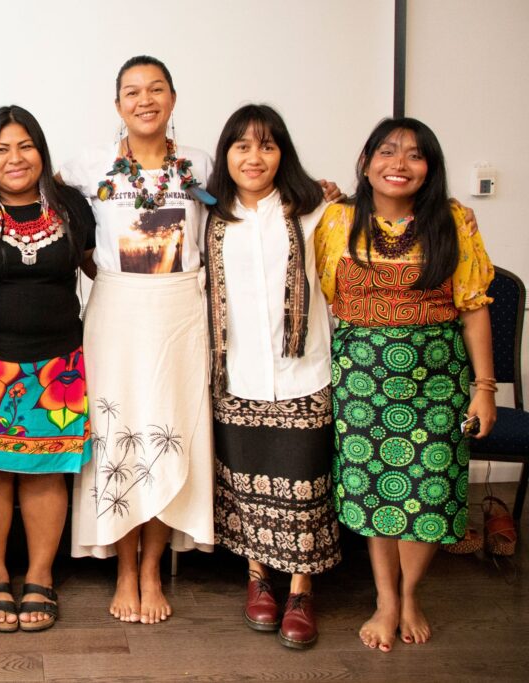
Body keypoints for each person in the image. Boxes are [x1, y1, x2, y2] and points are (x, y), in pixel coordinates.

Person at [314, 117, 496, 652]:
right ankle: (385, 598)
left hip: (437, 378)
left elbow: (474, 308)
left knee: (429, 488)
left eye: (415, 156)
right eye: (387, 152)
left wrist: (483, 386)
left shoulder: (454, 220)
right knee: (377, 492)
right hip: (362, 380)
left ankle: (410, 592)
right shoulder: (337, 220)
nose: (399, 164)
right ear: (367, 160)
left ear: (430, 169)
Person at [51, 55, 219, 625]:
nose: (144, 99)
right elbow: (29, 189)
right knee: (118, 435)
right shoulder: (88, 164)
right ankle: (125, 569)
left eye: (156, 89)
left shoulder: (199, 163)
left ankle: (153, 569)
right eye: (131, 91)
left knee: (168, 435)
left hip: (179, 314)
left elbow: (250, 196)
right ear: (117, 104)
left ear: (173, 97)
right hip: (116, 315)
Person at [0, 105, 96, 632]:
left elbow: (105, 267)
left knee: (46, 473)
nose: (15, 158)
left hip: (58, 365)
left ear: (42, 151)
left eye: (26, 145)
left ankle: (40, 576)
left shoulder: (73, 208)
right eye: (2, 148)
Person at [204, 104, 341, 649]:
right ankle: (258, 579)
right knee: (249, 483)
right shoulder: (209, 218)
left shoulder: (317, 211)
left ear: (282, 153)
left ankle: (302, 590)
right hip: (236, 375)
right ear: (226, 156)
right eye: (242, 146)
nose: (254, 157)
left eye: (266, 145)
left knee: (304, 488)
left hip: (304, 373)